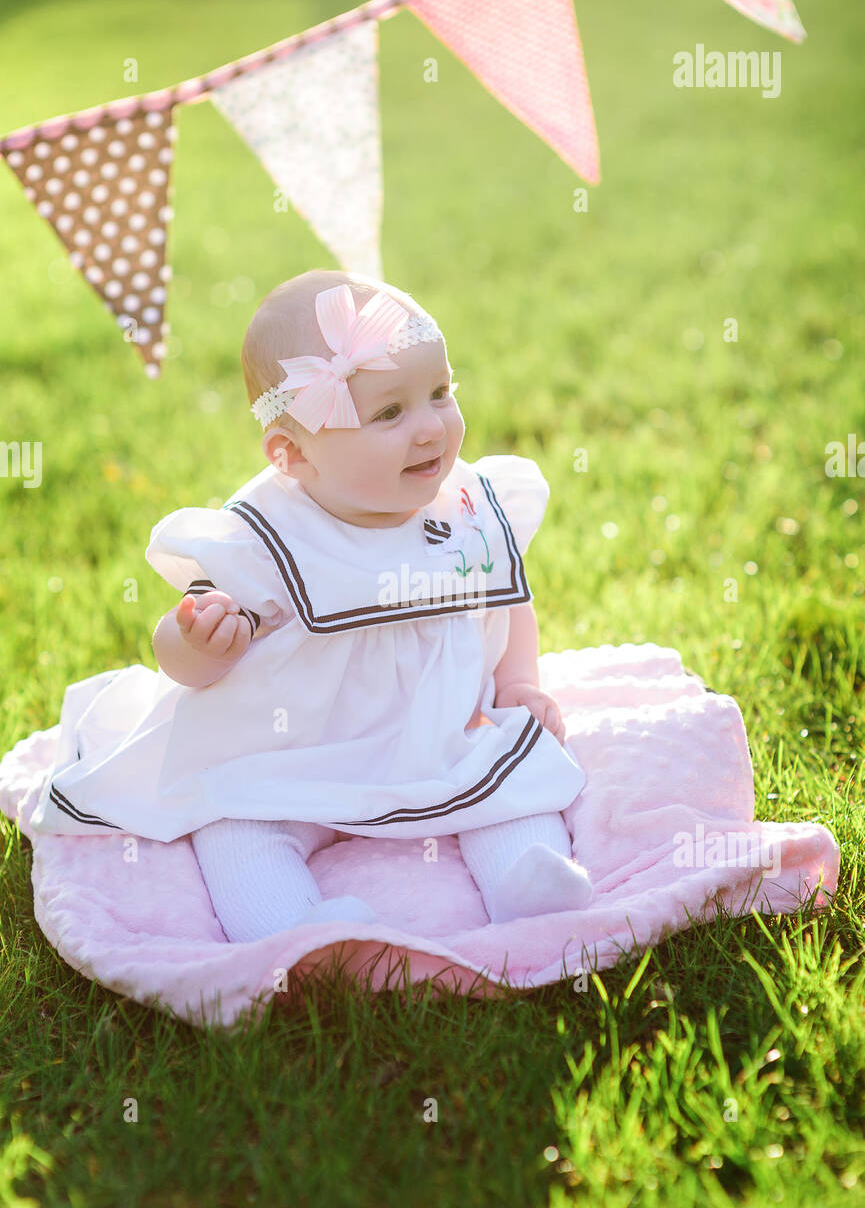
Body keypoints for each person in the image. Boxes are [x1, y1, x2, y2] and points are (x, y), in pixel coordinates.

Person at [28, 268, 594, 940]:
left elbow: (501, 603)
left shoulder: (464, 507)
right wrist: (198, 640)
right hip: (293, 746)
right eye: (389, 412)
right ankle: (290, 927)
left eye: (440, 393)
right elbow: (191, 653)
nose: (430, 428)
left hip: (438, 733)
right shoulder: (268, 536)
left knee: (509, 782)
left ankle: (528, 882)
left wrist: (518, 683)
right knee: (238, 824)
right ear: (292, 456)